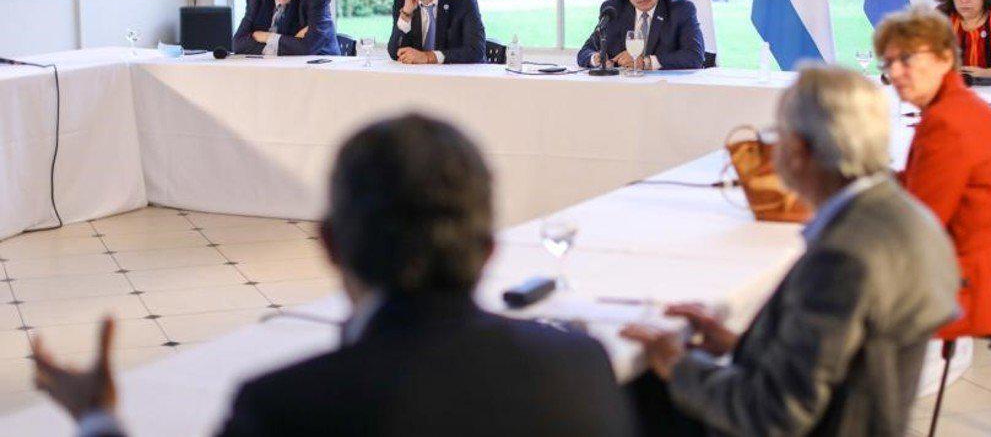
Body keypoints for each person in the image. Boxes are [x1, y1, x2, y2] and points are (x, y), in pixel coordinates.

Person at [32, 115, 635, 437]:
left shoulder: (285, 407)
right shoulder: (580, 364)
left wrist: (96, 418)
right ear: (489, 250)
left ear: (328, 244)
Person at [620, 66, 959, 436]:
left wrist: (679, 365)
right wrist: (738, 344)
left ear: (798, 149)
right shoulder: (906, 216)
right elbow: (838, 364)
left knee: (621, 383)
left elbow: (776, 413)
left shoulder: (843, 258)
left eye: (777, 133)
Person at [875, 5, 991, 339]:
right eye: (889, 64)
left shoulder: (946, 123)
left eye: (907, 59)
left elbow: (924, 223)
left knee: (851, 298)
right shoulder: (962, 105)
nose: (897, 72)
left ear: (945, 58)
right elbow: (924, 181)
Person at [577, 0, 704, 71]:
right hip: (621, 85)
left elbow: (695, 56)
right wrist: (596, 58)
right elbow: (585, 52)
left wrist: (645, 62)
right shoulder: (614, 9)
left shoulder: (681, 9)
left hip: (664, 85)